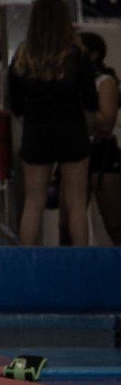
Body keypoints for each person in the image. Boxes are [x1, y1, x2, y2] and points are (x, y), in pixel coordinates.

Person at [7, 0, 99, 246]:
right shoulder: (76, 53)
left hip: (36, 130)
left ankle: (28, 264)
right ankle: (81, 265)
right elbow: (91, 100)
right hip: (71, 129)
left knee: (33, 203)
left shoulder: (23, 56)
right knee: (77, 203)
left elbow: (15, 104)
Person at [81, 32, 120, 244]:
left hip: (102, 153)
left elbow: (106, 123)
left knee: (113, 222)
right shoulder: (72, 80)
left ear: (93, 54)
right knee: (68, 222)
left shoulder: (104, 82)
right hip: (77, 151)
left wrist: (82, 106)